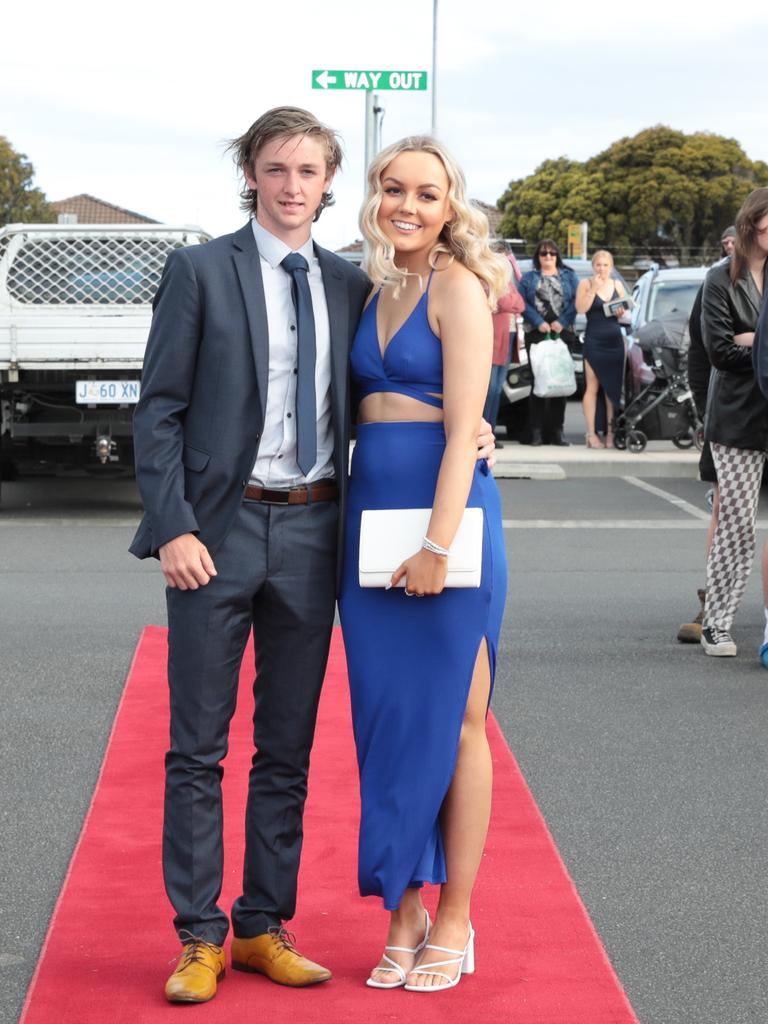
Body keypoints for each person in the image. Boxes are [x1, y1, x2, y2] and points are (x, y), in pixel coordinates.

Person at [130, 106, 496, 1004]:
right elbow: (158, 407)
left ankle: (262, 924)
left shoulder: (350, 281)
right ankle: (200, 937)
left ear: (330, 183)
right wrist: (172, 524)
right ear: (251, 172)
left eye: (310, 171)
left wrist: (476, 431)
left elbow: (433, 390)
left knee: (289, 746)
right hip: (212, 535)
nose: (293, 185)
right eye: (276, 168)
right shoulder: (199, 270)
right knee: (197, 746)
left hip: (321, 530)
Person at [338, 137, 509, 993]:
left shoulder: (459, 286)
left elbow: (462, 430)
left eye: (427, 194)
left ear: (450, 206)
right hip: (368, 519)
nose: (408, 205)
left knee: (461, 719)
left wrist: (439, 547)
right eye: (393, 189)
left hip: (448, 521)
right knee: (387, 724)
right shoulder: (368, 283)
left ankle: (454, 918)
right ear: (374, 196)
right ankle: (401, 908)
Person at [700, 188, 768, 658]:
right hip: (737, 417)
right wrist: (758, 343)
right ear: (749, 227)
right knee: (738, 524)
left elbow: (743, 344)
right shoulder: (719, 279)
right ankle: (716, 624)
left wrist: (756, 337)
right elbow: (720, 350)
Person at [517, 239, 578, 445]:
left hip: (563, 334)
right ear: (538, 257)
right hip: (537, 333)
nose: (548, 257)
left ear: (557, 256)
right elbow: (521, 302)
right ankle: (536, 431)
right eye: (544, 254)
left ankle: (557, 432)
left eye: (552, 254)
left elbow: (577, 302)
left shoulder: (569, 277)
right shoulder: (528, 278)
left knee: (560, 382)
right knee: (539, 383)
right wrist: (537, 321)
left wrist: (562, 321)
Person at [575, 250, 626, 448]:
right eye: (598, 265)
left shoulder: (618, 285)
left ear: (611, 267)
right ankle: (591, 434)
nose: (602, 268)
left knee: (611, 389)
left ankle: (612, 433)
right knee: (592, 387)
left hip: (614, 340)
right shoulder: (586, 284)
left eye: (605, 265)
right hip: (594, 339)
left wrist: (621, 312)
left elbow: (624, 314)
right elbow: (581, 309)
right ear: (593, 266)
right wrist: (593, 289)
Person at [483, 250, 524, 446]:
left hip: (508, 338)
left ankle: (491, 431)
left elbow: (520, 304)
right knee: (489, 389)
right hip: (492, 340)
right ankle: (483, 430)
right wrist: (509, 303)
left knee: (498, 389)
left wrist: (509, 303)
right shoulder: (487, 281)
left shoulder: (508, 283)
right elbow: (505, 302)